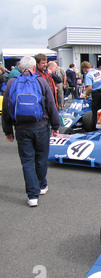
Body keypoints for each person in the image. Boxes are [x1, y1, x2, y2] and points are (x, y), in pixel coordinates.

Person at [1, 56, 60, 207]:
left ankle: (32, 196)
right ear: (34, 68)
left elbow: (7, 108)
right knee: (41, 157)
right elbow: (51, 105)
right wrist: (55, 126)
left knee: (27, 161)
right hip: (41, 125)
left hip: (21, 127)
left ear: (20, 68)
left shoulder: (12, 83)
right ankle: (42, 185)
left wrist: (8, 130)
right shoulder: (41, 81)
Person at [81, 61, 101, 130]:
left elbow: (89, 87)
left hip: (96, 93)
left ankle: (96, 127)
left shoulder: (88, 75)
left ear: (84, 69)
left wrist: (86, 94)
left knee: (96, 112)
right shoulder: (99, 72)